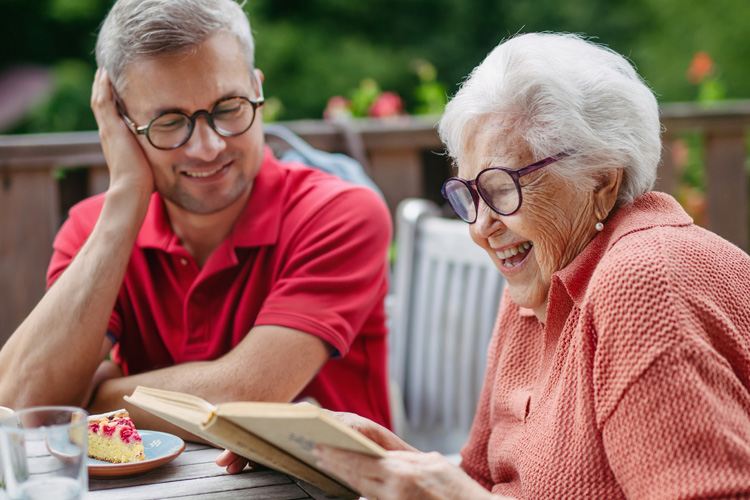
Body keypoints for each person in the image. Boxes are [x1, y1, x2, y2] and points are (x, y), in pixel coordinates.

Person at [220, 32, 750, 499]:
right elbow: (487, 481)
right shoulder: (541, 279)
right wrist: (384, 461)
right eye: (471, 193)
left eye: (504, 189)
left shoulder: (645, 282)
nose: (480, 228)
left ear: (602, 179)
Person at [0, 0, 393, 435]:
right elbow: (21, 404)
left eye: (228, 108)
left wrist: (93, 398)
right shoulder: (95, 230)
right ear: (121, 123)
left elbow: (248, 395)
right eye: (169, 121)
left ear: (257, 90)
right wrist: (127, 196)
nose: (207, 148)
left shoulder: (339, 212)